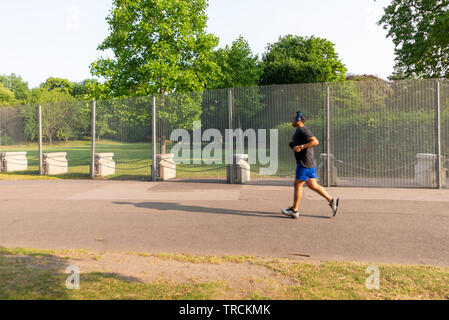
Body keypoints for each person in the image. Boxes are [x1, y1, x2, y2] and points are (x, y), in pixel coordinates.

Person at [281, 112, 339, 219]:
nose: (292, 119)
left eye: (294, 118)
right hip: (309, 162)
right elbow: (300, 144)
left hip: (304, 163)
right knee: (313, 185)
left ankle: (294, 210)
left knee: (297, 185)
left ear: (299, 119)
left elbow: (315, 141)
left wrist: (301, 146)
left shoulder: (303, 130)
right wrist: (294, 145)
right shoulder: (299, 131)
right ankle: (332, 200)